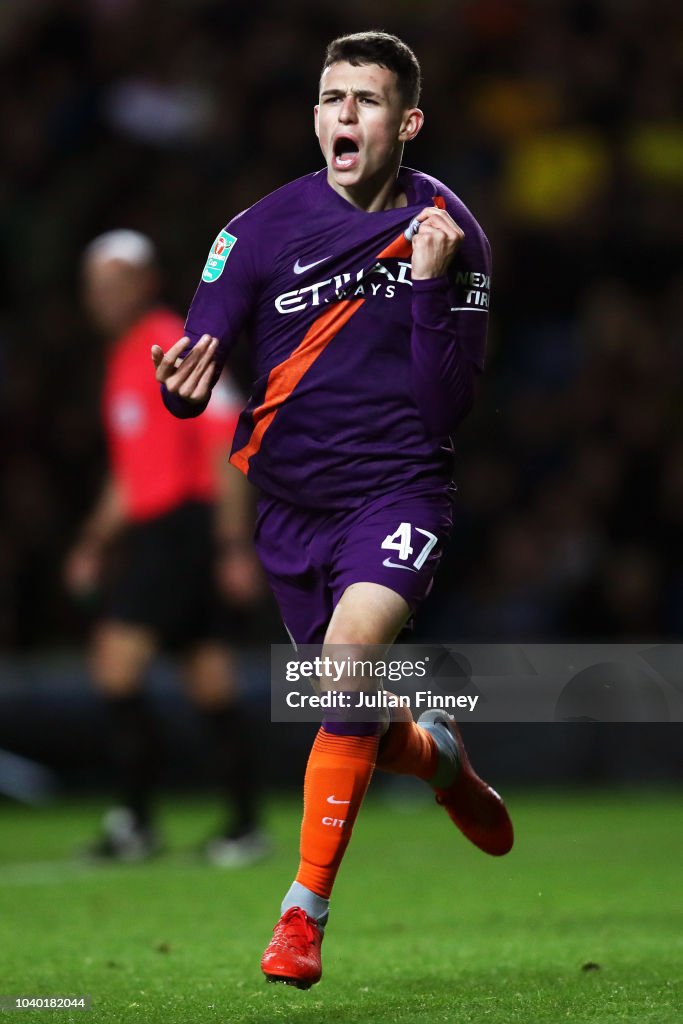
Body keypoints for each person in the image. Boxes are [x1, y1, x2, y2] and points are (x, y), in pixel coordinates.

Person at [152, 31, 513, 987]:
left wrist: (430, 291)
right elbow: (198, 357)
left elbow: (447, 407)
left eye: (363, 99)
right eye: (329, 98)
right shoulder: (259, 229)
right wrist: (182, 388)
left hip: (398, 491)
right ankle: (437, 759)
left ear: (408, 121)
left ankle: (301, 913)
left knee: (348, 663)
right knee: (345, 700)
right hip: (287, 507)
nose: (341, 115)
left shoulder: (451, 232)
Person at [65, 229, 268, 867]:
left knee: (114, 661)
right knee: (208, 677)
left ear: (146, 283)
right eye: (95, 285)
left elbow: (222, 442)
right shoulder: (124, 356)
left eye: (117, 281)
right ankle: (242, 825)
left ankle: (136, 821)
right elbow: (133, 470)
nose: (104, 296)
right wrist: (97, 538)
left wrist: (234, 543)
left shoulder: (173, 342)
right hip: (163, 530)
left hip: (185, 527)